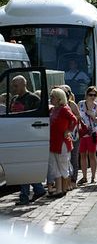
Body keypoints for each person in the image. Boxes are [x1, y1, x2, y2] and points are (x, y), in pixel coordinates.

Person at [10, 76, 46, 205]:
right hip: (16, 137)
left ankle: (24, 196)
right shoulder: (14, 99)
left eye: (16, 86)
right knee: (24, 167)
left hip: (28, 137)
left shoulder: (33, 99)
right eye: (13, 85)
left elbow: (38, 118)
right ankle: (38, 188)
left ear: (23, 84)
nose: (14, 88)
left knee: (23, 167)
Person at [48, 88, 77, 198]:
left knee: (63, 166)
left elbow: (74, 119)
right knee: (54, 167)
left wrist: (69, 130)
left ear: (59, 98)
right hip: (53, 141)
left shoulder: (65, 109)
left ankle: (64, 189)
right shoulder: (53, 110)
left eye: (53, 97)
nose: (51, 99)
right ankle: (58, 190)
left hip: (62, 143)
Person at [77, 86, 97, 185]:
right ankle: (84, 176)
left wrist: (92, 115)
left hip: (92, 133)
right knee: (82, 154)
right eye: (91, 94)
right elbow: (77, 117)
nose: (92, 97)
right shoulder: (81, 104)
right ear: (87, 95)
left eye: (94, 95)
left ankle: (93, 177)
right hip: (82, 133)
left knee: (92, 154)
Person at [60, 85, 81, 189]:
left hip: (73, 135)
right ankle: (64, 182)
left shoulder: (71, 104)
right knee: (63, 159)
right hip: (61, 135)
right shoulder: (57, 105)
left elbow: (78, 117)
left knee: (73, 158)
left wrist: (69, 119)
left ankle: (73, 180)